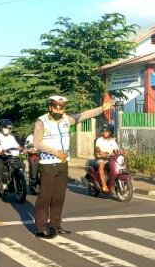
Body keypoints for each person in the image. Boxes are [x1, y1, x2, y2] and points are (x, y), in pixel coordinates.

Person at [32, 95, 115, 237]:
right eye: (55, 108)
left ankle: (55, 225)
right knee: (45, 197)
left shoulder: (66, 119)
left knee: (59, 196)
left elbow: (83, 115)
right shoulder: (41, 122)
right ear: (50, 107)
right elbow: (37, 143)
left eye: (61, 108)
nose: (58, 111)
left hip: (63, 164)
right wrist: (55, 152)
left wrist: (102, 108)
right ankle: (41, 227)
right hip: (48, 164)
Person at [0, 119, 22, 190]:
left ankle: (18, 179)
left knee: (21, 164)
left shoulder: (11, 137)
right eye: (5, 128)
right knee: (0, 164)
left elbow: (17, 146)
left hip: (10, 156)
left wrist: (23, 149)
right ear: (1, 128)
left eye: (8, 128)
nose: (7, 130)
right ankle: (0, 182)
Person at [94, 124, 119, 192]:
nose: (104, 132)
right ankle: (103, 184)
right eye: (104, 131)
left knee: (116, 167)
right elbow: (97, 147)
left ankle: (112, 182)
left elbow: (116, 149)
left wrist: (122, 151)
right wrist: (101, 152)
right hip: (100, 159)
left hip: (110, 159)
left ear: (110, 132)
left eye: (106, 131)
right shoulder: (99, 140)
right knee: (101, 164)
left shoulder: (112, 141)